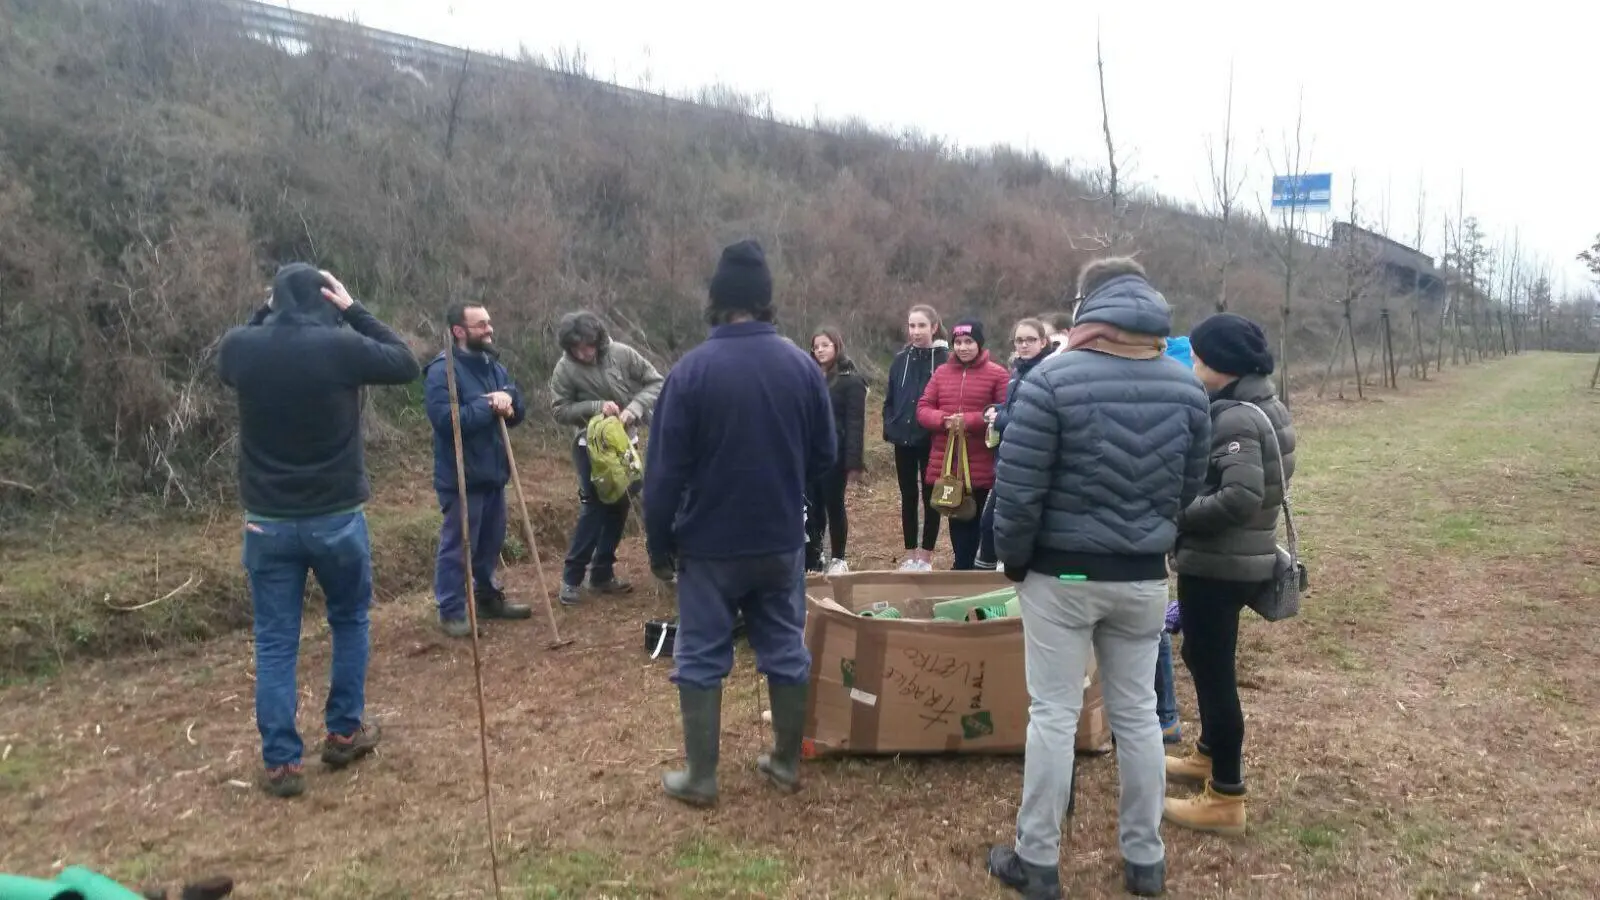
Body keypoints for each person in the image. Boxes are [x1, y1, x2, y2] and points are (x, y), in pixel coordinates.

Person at [988, 257, 1210, 898]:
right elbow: (1188, 485)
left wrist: (1015, 561)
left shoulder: (1052, 381)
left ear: (1088, 303)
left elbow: (1018, 491)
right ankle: (1145, 860)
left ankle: (1039, 861)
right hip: (1142, 577)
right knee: (1138, 716)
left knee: (1053, 715)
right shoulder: (1186, 386)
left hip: (1062, 573)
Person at [217, 264, 421, 798]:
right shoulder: (339, 346)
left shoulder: (243, 347)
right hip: (336, 517)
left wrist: (267, 310)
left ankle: (283, 764)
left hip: (268, 523)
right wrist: (353, 309)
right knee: (350, 619)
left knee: (276, 640)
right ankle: (342, 732)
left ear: (274, 300)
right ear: (326, 299)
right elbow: (404, 362)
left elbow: (232, 357)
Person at [644, 239, 836, 808]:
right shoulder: (803, 367)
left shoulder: (690, 372)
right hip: (780, 540)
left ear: (717, 301)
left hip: (708, 546)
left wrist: (660, 544)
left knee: (701, 653)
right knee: (784, 645)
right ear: (766, 301)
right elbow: (826, 456)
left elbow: (662, 476)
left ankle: (701, 778)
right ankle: (783, 763)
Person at [1164, 312, 1295, 837]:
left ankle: (1225, 795)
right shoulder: (1267, 404)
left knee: (1215, 675)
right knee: (1201, 655)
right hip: (1243, 557)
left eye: (1197, 357)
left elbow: (1240, 495)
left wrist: (1178, 516)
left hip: (1219, 563)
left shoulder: (1236, 416)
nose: (1192, 365)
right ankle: (1208, 754)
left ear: (1222, 364)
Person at [423, 303, 532, 638]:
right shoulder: (442, 373)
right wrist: (489, 404)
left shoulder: (492, 364)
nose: (489, 329)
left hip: (494, 472)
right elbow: (448, 422)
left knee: (490, 542)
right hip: (462, 476)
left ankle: (486, 598)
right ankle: (452, 610)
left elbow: (517, 405)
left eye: (489, 322)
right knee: (459, 545)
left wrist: (507, 400)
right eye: (481, 324)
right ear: (459, 331)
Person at [549, 311, 664, 605]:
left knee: (621, 506)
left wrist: (634, 409)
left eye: (587, 346)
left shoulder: (622, 354)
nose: (583, 354)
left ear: (597, 340)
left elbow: (656, 383)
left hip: (627, 443)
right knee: (596, 507)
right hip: (589, 445)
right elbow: (560, 410)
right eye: (575, 349)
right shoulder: (565, 368)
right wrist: (597, 406)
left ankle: (601, 574)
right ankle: (571, 580)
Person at [915, 318, 1009, 571]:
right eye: (958, 342)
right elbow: (923, 408)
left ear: (979, 344)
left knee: (982, 520)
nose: (963, 347)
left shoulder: (998, 374)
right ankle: (962, 567)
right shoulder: (942, 373)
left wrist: (969, 421)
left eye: (969, 342)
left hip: (982, 462)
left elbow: (1004, 411)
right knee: (958, 518)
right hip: (948, 462)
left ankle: (981, 568)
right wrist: (943, 421)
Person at [976, 318, 1050, 571]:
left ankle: (997, 573)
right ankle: (986, 574)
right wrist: (994, 410)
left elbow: (1029, 417)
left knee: (997, 522)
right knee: (990, 523)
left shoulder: (1044, 373)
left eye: (1030, 340)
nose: (1024, 345)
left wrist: (1001, 419)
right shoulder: (1017, 371)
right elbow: (1012, 408)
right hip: (1007, 457)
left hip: (1028, 461)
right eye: (1019, 340)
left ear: (1043, 342)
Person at [881, 304, 949, 571]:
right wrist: (891, 424)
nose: (916, 331)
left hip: (933, 439)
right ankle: (909, 554)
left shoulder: (945, 359)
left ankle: (926, 556)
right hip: (903, 439)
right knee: (907, 495)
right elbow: (890, 399)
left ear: (933, 327)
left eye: (921, 326)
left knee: (931, 497)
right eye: (912, 326)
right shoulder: (900, 359)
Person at [805, 327, 867, 575]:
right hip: (808, 455)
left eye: (825, 345)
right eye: (816, 346)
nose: (820, 350)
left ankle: (838, 557)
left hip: (835, 454)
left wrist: (853, 462)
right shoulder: (807, 378)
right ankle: (815, 552)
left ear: (837, 346)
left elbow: (855, 423)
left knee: (834, 505)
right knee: (811, 506)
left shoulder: (850, 380)